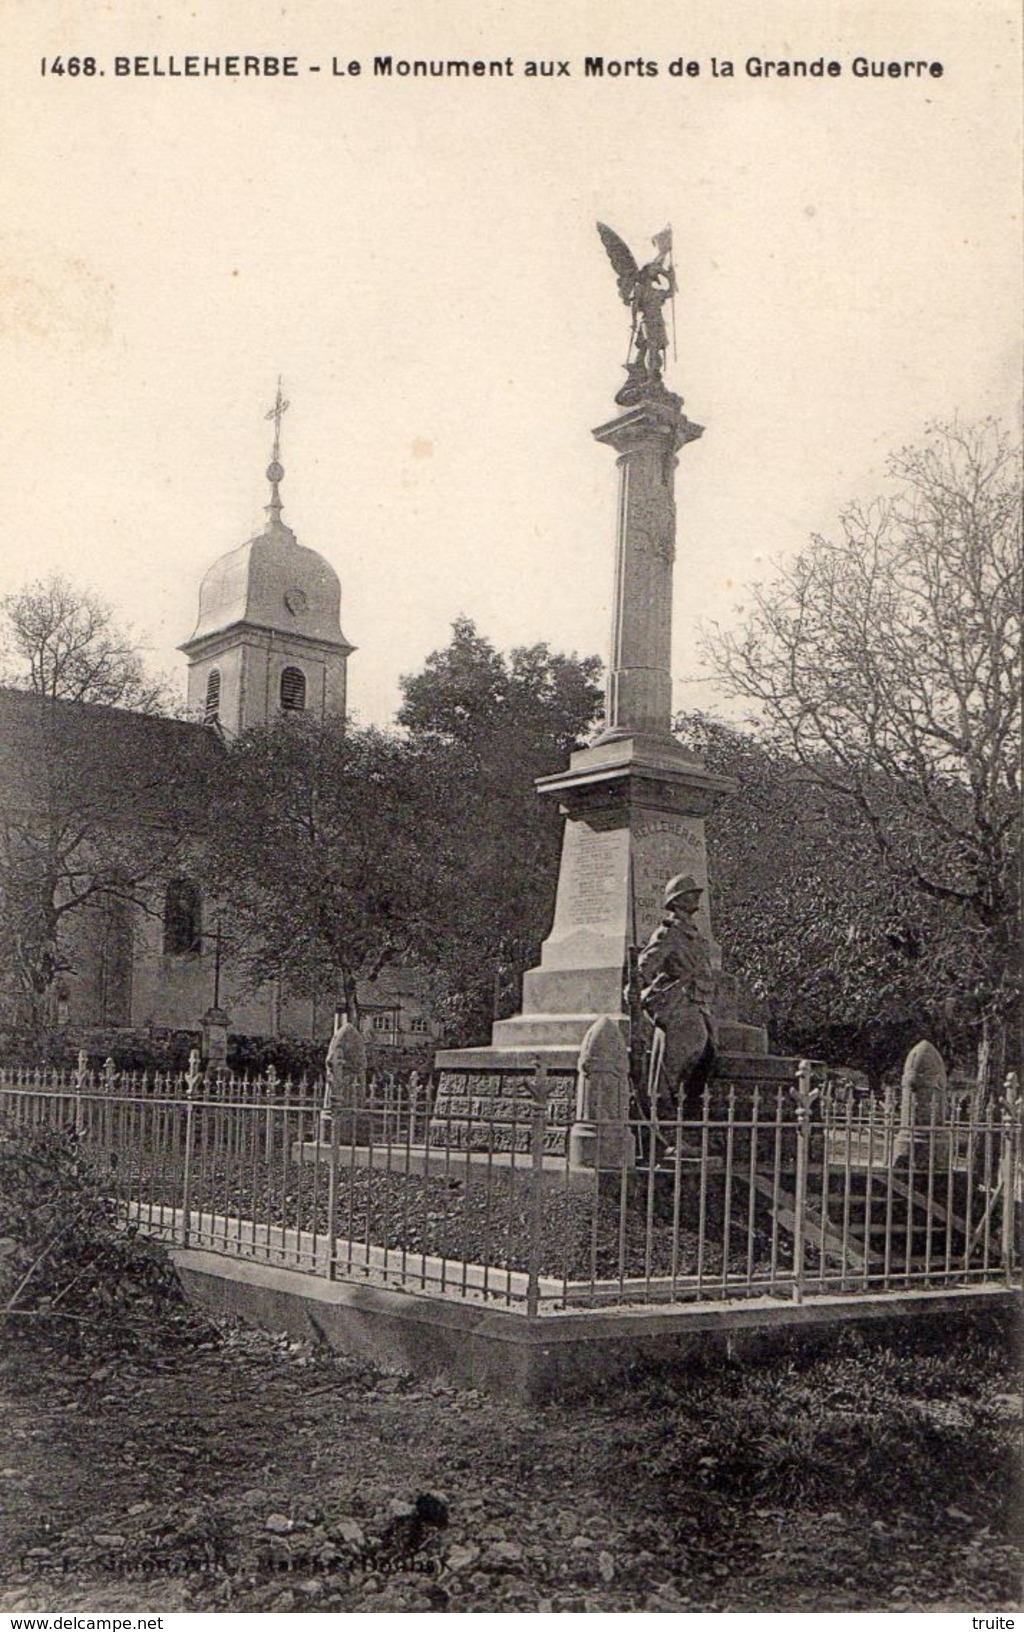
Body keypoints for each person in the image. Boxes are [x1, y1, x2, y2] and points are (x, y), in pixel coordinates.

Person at [637, 874, 717, 1131]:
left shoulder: (694, 935)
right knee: (674, 1067)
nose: (696, 897)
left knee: (706, 1055)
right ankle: (667, 1126)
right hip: (679, 1007)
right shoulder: (669, 932)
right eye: (691, 894)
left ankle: (687, 1123)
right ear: (678, 900)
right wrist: (636, 984)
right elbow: (646, 964)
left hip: (697, 1004)